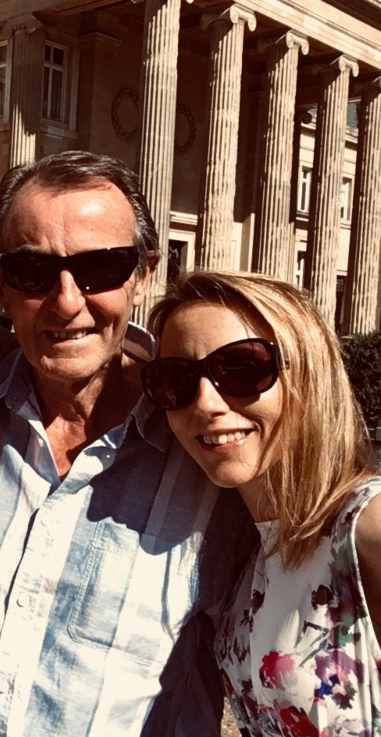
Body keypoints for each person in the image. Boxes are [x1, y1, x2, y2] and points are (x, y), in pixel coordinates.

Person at [0, 150, 257, 736]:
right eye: (32, 272)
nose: (68, 301)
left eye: (101, 268)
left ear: (143, 275)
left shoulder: (213, 452)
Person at [141, 271, 381, 734]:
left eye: (243, 368)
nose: (206, 403)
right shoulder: (246, 562)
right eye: (175, 380)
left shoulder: (366, 526)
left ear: (310, 373)